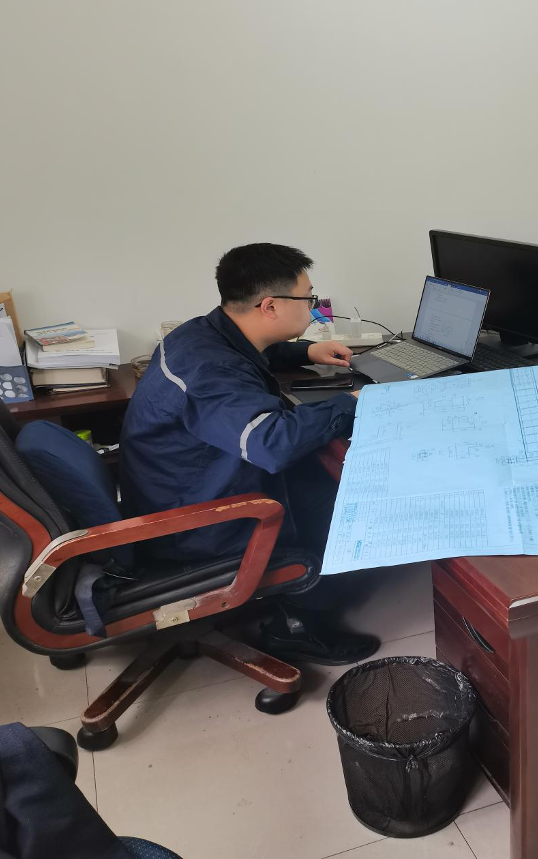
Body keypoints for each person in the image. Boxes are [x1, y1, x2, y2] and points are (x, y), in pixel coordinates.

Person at [119, 243, 378, 664]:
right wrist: (351, 402)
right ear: (270, 306)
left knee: (322, 468)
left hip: (170, 490)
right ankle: (298, 627)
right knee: (346, 495)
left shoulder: (198, 333)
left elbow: (247, 351)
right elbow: (273, 443)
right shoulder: (212, 372)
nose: (313, 307)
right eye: (308, 298)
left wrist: (305, 351)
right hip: (195, 523)